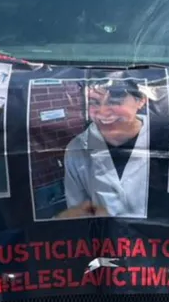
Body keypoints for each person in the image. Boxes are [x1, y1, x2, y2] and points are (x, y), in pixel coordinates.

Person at [58, 78, 152, 219]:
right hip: (102, 238)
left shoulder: (166, 140)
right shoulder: (76, 147)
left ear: (140, 101)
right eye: (95, 102)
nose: (102, 112)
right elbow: (77, 209)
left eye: (114, 102)